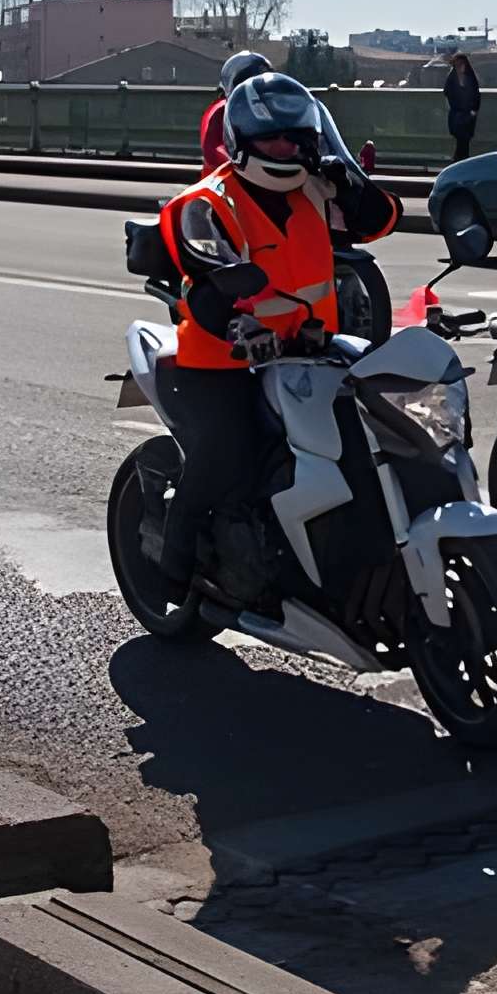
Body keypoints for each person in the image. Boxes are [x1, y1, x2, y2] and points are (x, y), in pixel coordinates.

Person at [149, 72, 399, 620]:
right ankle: (174, 561)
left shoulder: (313, 187)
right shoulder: (207, 202)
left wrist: (349, 180)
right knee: (225, 456)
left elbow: (380, 221)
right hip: (221, 361)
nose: (284, 148)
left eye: (294, 137)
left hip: (310, 353)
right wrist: (235, 321)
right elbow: (207, 276)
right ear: (241, 140)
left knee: (375, 443)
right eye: (271, 139)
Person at [195, 51, 270, 169]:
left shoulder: (272, 111)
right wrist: (240, 162)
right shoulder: (219, 111)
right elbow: (212, 150)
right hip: (223, 182)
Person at [441, 49, 483, 162]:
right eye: (457, 65)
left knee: (465, 139)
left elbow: (476, 95)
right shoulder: (452, 78)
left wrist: (474, 110)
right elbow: (447, 92)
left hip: (468, 114)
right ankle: (459, 159)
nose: (459, 67)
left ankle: (460, 159)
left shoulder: (471, 78)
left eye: (461, 64)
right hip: (456, 113)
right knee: (460, 138)